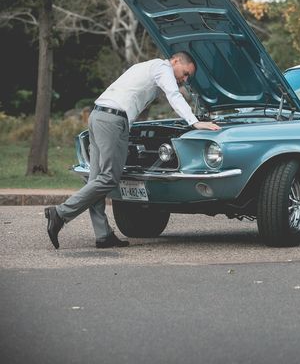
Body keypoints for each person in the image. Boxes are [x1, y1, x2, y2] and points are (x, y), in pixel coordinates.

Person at [45, 51, 220, 249]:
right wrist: (195, 122)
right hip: (113, 121)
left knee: (96, 181)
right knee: (109, 178)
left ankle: (103, 235)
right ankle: (60, 213)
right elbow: (173, 95)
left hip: (97, 116)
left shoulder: (144, 66)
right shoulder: (162, 68)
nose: (185, 79)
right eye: (186, 73)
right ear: (176, 61)